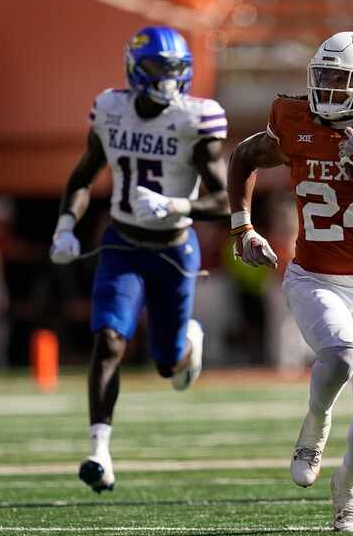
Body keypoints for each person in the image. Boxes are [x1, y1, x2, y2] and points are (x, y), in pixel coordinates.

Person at [227, 31, 353, 532]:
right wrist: (242, 226)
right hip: (312, 276)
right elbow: (243, 158)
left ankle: (347, 489)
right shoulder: (294, 120)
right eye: (325, 77)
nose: (330, 88)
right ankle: (314, 426)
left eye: (342, 80)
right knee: (341, 352)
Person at [49, 26, 229, 492]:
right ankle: (99, 450)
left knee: (167, 364)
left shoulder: (196, 119)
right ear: (135, 69)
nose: (168, 80)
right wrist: (66, 224)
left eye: (175, 71)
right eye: (157, 69)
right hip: (122, 244)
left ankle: (188, 344)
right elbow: (85, 175)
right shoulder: (111, 109)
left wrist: (178, 206)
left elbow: (224, 199)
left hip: (173, 248)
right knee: (109, 340)